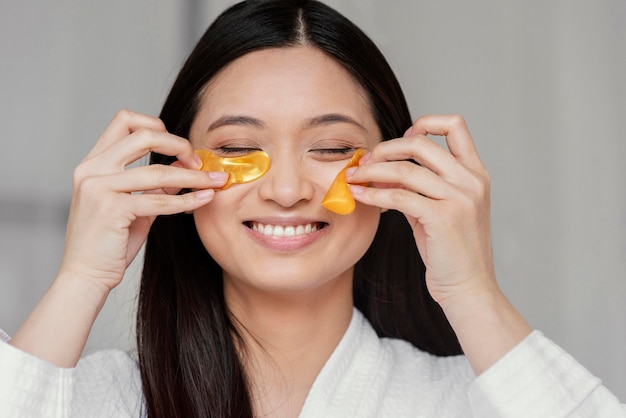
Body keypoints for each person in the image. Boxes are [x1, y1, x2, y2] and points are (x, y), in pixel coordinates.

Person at [0, 1, 623, 417]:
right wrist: (80, 279)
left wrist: (471, 290)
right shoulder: (94, 397)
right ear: (177, 171)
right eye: (241, 148)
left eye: (330, 147)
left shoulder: (476, 399)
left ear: (396, 170)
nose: (288, 188)